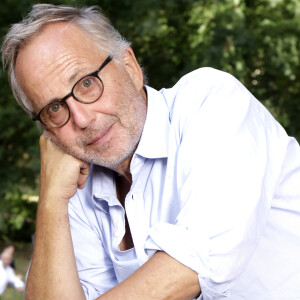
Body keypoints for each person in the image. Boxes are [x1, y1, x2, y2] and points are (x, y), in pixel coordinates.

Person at [2, 4, 300, 300]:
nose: (81, 119)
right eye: (54, 108)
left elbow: (193, 265)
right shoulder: (73, 190)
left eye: (87, 83)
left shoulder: (211, 102)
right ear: (47, 131)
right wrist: (51, 200)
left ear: (129, 67)